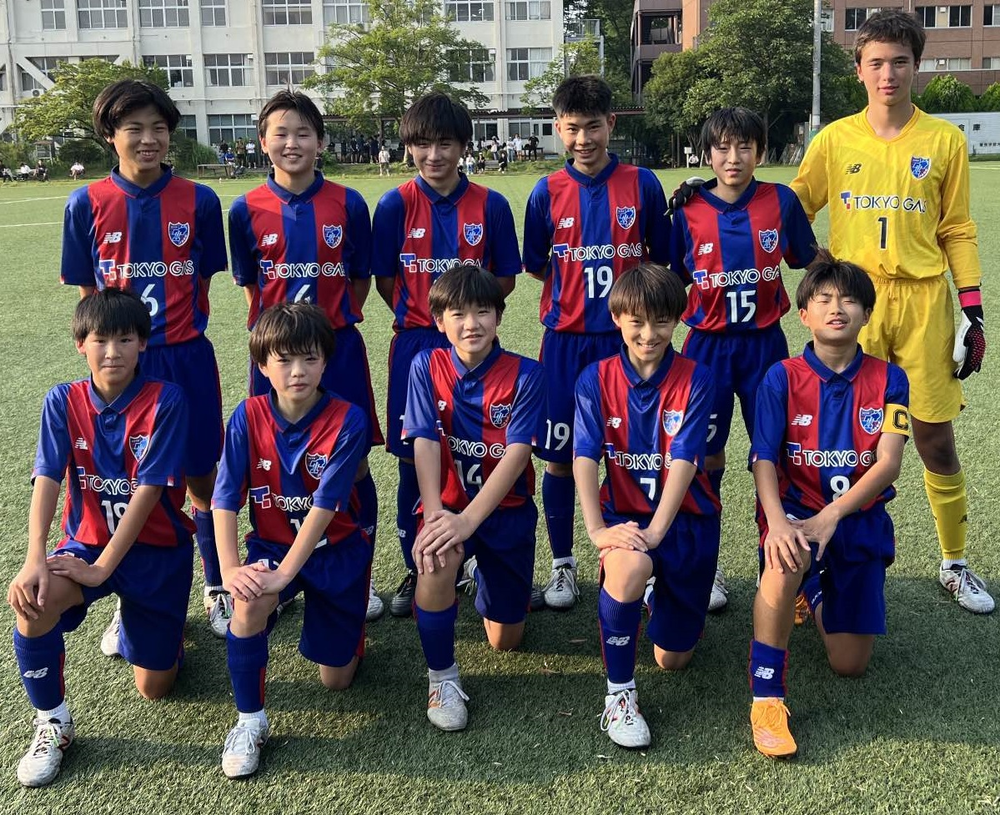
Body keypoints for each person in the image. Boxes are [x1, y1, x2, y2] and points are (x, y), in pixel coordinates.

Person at [791, 9, 992, 613]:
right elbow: (793, 207)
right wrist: (821, 264)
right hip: (855, 305)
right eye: (876, 62)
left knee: (933, 437)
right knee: (836, 439)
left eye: (899, 62)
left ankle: (954, 562)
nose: (888, 74)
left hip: (924, 303)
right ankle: (815, 563)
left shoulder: (944, 140)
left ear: (916, 65)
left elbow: (956, 228)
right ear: (858, 69)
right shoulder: (834, 139)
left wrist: (973, 309)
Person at [60, 79, 230, 640]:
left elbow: (201, 283)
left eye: (159, 128)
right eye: (134, 128)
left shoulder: (200, 201)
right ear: (111, 135)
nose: (148, 139)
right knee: (126, 483)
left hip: (186, 357)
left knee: (202, 475)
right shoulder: (85, 203)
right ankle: (128, 594)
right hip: (122, 368)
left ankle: (216, 584)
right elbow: (90, 300)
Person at [8, 288, 193, 787]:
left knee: (156, 689)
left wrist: (102, 570)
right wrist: (35, 557)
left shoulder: (167, 400)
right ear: (80, 345)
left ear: (143, 344)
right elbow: (48, 478)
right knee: (33, 600)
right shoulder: (62, 400)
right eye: (100, 340)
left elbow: (148, 492)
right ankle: (53, 722)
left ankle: (149, 623)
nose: (112, 352)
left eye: (125, 339)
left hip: (156, 553)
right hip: (86, 544)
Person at [228, 90, 384, 621]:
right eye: (281, 133)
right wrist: (281, 342)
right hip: (275, 356)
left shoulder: (349, 203)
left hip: (337, 350)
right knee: (270, 463)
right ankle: (274, 570)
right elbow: (251, 286)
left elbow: (359, 279)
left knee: (354, 463)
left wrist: (326, 329)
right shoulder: (245, 208)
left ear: (320, 141)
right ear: (262, 141)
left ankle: (358, 578)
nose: (292, 143)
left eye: (303, 133)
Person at [747, 251, 909, 758]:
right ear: (804, 315)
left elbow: (888, 464)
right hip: (795, 511)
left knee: (849, 664)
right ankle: (766, 698)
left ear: (867, 313)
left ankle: (813, 590)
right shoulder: (780, 376)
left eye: (849, 300)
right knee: (785, 558)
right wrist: (778, 524)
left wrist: (832, 517)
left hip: (855, 518)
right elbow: (763, 459)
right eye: (823, 299)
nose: (836, 308)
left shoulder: (891, 379)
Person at [371, 91, 522, 617]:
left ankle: (479, 553)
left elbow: (504, 278)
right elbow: (385, 280)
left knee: (480, 449)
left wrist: (465, 323)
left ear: (463, 146)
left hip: (476, 349)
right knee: (413, 458)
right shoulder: (394, 205)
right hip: (416, 341)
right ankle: (419, 565)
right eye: (422, 144)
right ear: (408, 146)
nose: (433, 155)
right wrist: (429, 321)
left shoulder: (491, 205)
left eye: (445, 143)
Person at [522, 74, 670, 609]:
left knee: (638, 454)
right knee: (560, 457)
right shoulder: (545, 192)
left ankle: (643, 561)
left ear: (611, 123)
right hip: (565, 344)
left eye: (592, 126)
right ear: (558, 128)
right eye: (571, 128)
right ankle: (563, 565)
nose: (582, 139)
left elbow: (660, 257)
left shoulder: (642, 184)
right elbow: (537, 264)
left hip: (628, 345)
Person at [213, 302, 372, 778]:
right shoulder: (247, 415)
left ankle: (347, 629)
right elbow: (224, 499)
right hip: (273, 547)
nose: (297, 371)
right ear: (262, 366)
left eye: (309, 358)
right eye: (283, 360)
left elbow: (325, 508)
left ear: (325, 361)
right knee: (247, 602)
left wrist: (285, 574)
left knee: (337, 680)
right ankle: (250, 722)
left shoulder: (349, 419)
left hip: (336, 550)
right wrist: (230, 571)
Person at [669, 107, 817, 612]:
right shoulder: (687, 208)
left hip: (764, 347)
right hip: (706, 350)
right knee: (702, 459)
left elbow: (809, 263)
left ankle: (773, 564)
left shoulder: (781, 201)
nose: (733, 158)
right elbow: (669, 280)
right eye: (722, 148)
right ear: (707, 154)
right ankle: (705, 569)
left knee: (772, 456)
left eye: (744, 146)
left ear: (761, 151)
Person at [573, 263, 719, 749]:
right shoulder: (595, 378)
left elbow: (684, 460)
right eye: (636, 321)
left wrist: (657, 533)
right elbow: (584, 456)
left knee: (673, 658)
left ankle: (655, 593)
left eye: (661, 321)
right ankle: (619, 694)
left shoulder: (697, 379)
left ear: (677, 319)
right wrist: (597, 530)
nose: (648, 334)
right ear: (617, 318)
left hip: (688, 523)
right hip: (627, 520)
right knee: (630, 564)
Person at [402, 265, 545, 731]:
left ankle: (479, 570)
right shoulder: (425, 365)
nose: (471, 324)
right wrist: (436, 516)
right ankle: (441, 677)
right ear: (439, 320)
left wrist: (469, 522)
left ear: (499, 317)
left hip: (506, 512)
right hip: (447, 507)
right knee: (437, 556)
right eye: (458, 313)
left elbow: (517, 455)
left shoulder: (526, 374)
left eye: (482, 311)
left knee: (506, 640)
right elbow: (424, 440)